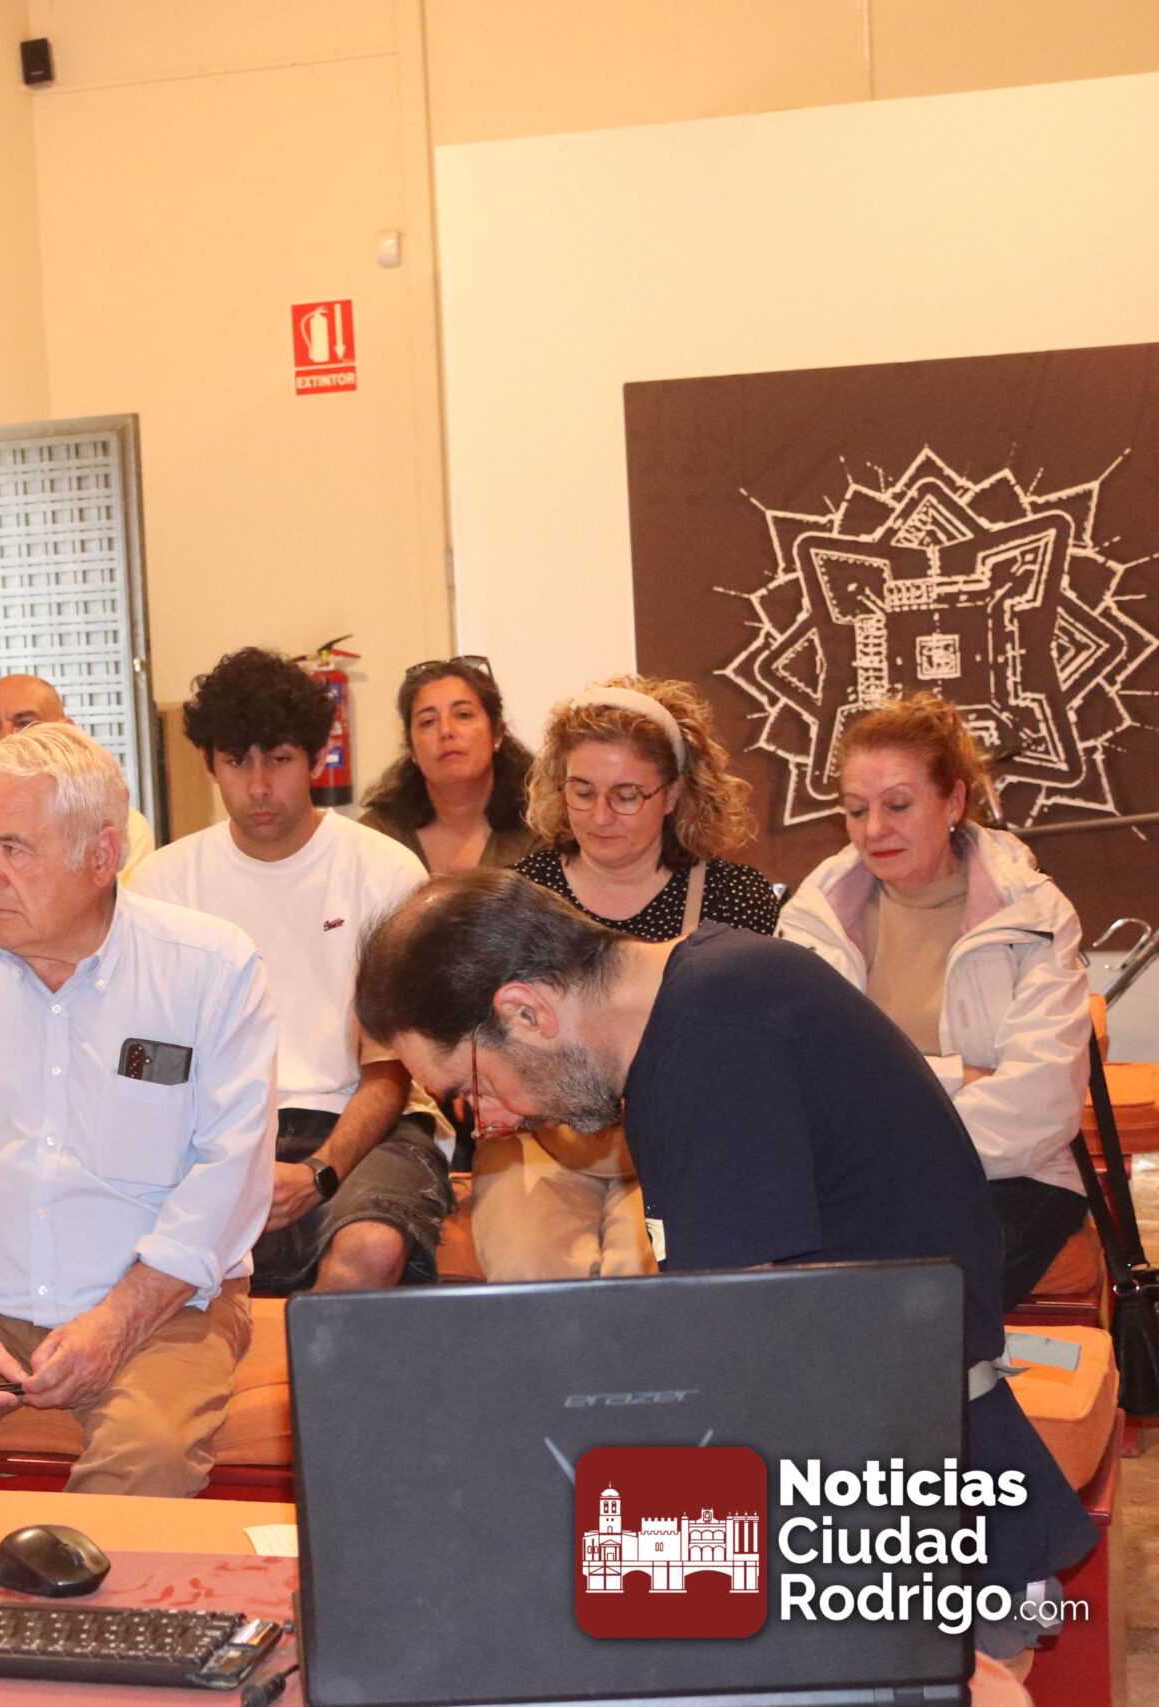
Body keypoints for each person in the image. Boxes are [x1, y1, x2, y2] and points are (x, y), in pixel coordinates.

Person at [352, 867, 1097, 1656]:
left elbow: (730, 1380)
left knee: (524, 1610)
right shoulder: (705, 999)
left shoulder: (715, 1044)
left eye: (467, 1094)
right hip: (871, 1453)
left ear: (526, 1011)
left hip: (905, 1509)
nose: (491, 1123)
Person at [0, 723, 275, 1496]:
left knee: (148, 1457)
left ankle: (68, 1623)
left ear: (101, 857)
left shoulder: (212, 971)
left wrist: (116, 1322)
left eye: (13, 848)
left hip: (163, 1312)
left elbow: (228, 1181)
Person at [128, 646, 448, 1294]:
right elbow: (140, 1058)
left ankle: (319, 1397)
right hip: (214, 1129)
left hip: (362, 1125)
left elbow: (392, 1068)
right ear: (209, 762)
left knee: (369, 1247)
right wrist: (224, 1157)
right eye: (236, 761)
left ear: (315, 758)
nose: (259, 786)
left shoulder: (384, 872)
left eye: (278, 759)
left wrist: (322, 1171)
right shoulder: (162, 882)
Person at [776, 694, 1091, 1300]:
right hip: (856, 1178)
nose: (873, 830)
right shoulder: (813, 918)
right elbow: (797, 1088)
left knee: (914, 1299)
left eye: (897, 805)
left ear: (953, 801)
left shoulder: (1033, 914)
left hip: (1009, 1178)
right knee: (772, 1279)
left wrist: (881, 1109)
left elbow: (1041, 1106)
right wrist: (957, 1078)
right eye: (855, 809)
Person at [482, 675, 780, 1281]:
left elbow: (755, 1054)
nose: (598, 816)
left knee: (643, 1287)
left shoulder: (731, 897)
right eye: (582, 791)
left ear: (672, 794)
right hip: (537, 1147)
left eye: (626, 796)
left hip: (676, 1153)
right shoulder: (519, 892)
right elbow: (477, 1028)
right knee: (530, 1285)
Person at [0, 674, 156, 919]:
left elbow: (115, 920)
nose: (7, 738)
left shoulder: (118, 825)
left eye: (25, 723)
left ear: (67, 730)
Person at [357, 655, 543, 875]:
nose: (445, 731)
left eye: (463, 715)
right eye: (427, 721)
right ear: (411, 749)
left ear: (497, 734)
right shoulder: (378, 835)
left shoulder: (540, 826)